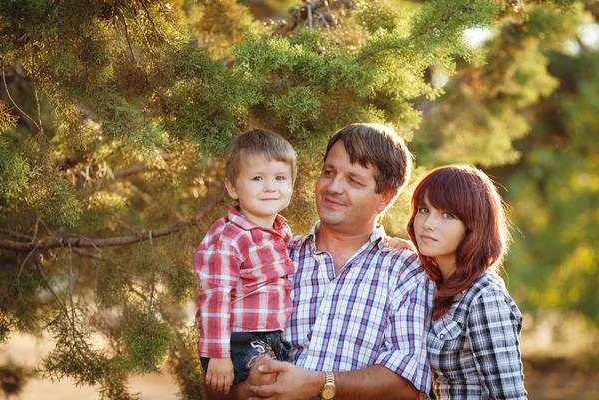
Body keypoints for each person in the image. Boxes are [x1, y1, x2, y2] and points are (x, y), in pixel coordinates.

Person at [212, 123, 434, 400]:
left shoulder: (406, 271)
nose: (333, 187)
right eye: (329, 172)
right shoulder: (274, 258)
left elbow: (407, 383)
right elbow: (215, 380)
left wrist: (320, 384)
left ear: (385, 198)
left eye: (354, 180)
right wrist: (248, 389)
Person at [406, 165, 527, 399]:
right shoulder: (437, 285)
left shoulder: (484, 297)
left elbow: (509, 396)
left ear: (472, 227)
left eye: (447, 215)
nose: (428, 223)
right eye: (423, 209)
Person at [194, 128, 297, 395]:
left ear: (291, 186)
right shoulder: (230, 238)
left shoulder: (281, 232)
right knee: (270, 384)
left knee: (289, 385)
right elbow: (215, 297)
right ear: (232, 187)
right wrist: (218, 354)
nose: (270, 187)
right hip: (238, 339)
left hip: (274, 336)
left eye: (279, 178)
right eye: (257, 178)